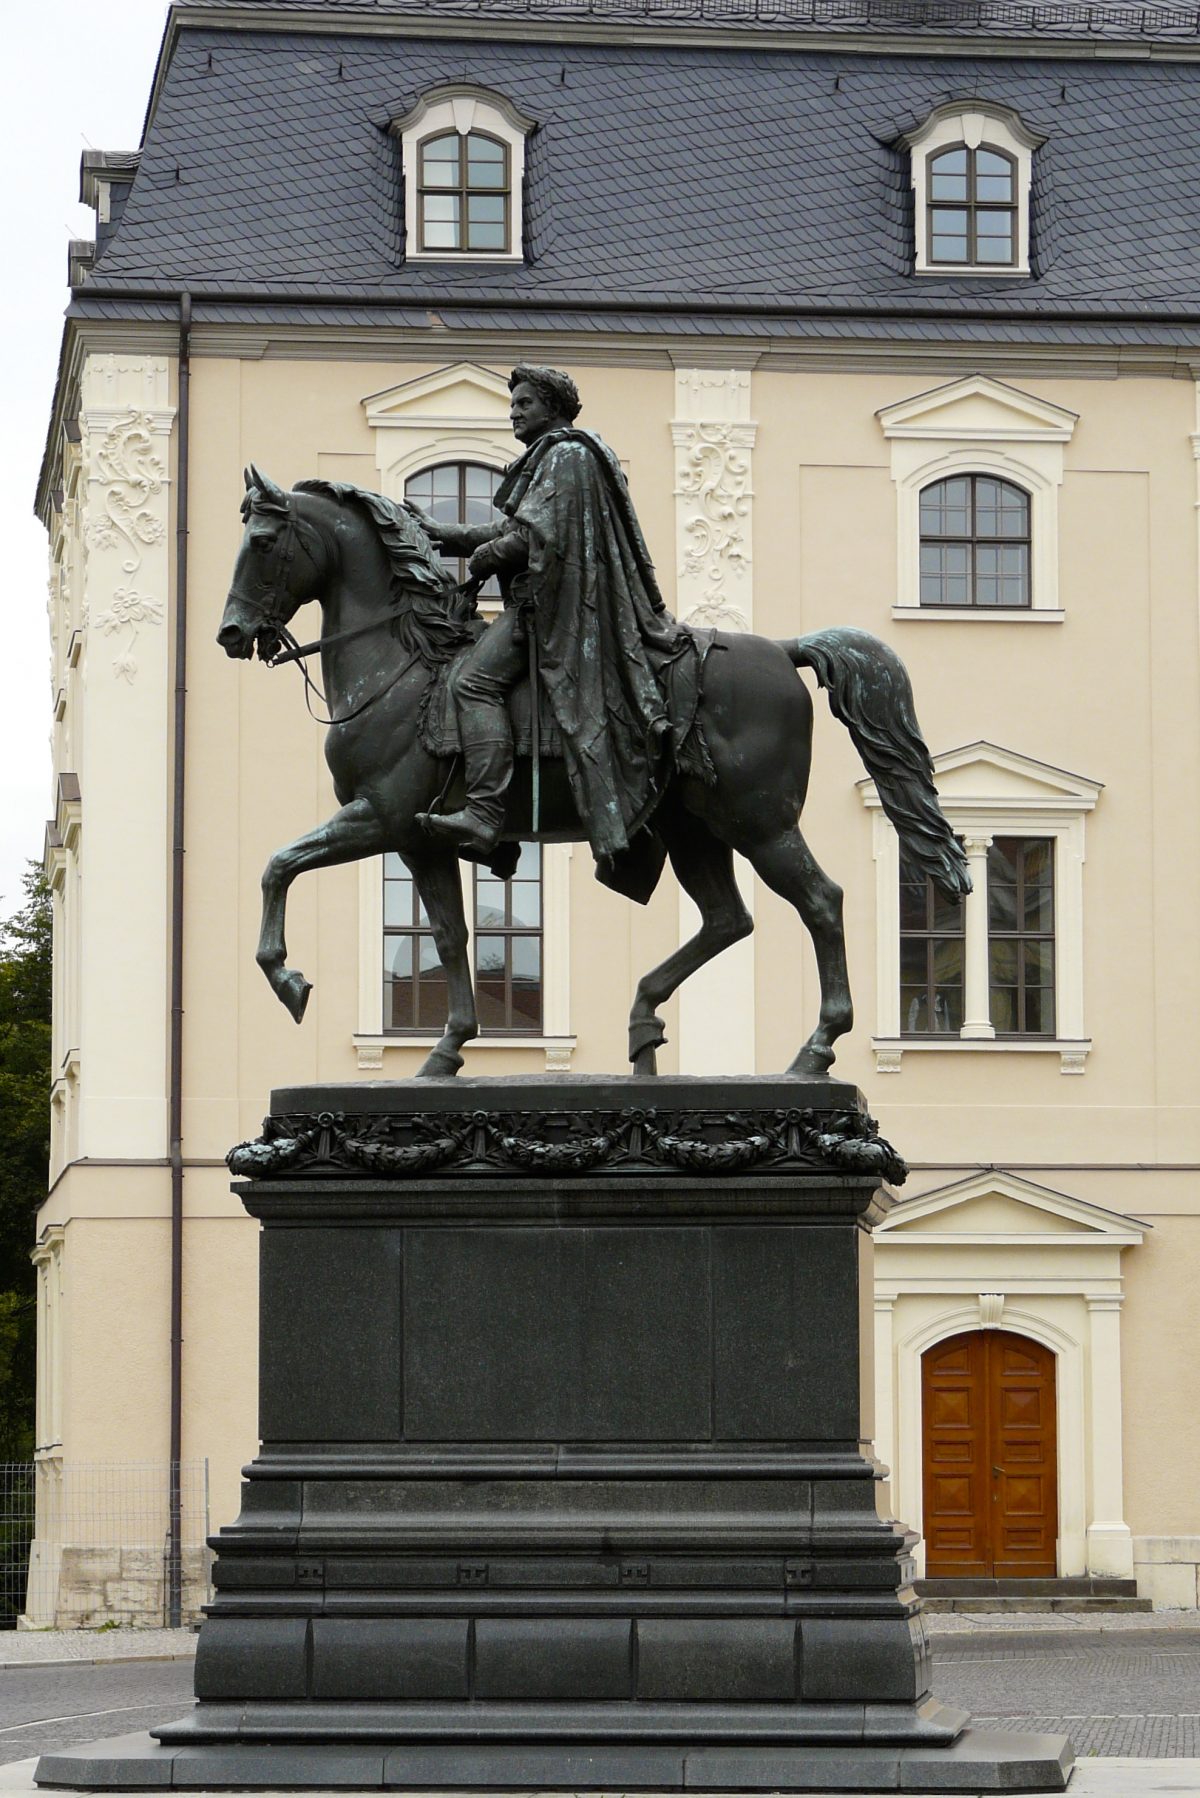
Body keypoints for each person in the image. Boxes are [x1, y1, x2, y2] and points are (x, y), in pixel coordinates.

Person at [404, 365, 688, 876]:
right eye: (512, 404)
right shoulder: (556, 457)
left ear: (552, 408)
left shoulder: (566, 456)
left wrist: (486, 556)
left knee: (471, 683)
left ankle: (485, 815)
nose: (515, 412)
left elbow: (533, 539)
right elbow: (515, 526)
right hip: (544, 606)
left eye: (525, 403)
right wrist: (444, 533)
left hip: (555, 614)